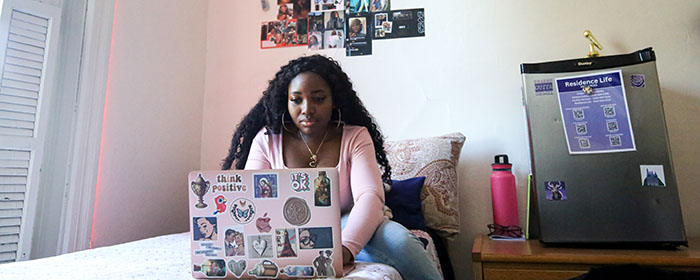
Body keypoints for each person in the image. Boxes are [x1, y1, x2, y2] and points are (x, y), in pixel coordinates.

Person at [221, 55, 442, 279]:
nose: (307, 109)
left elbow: (370, 196)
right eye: (296, 100)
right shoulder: (267, 140)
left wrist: (346, 248)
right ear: (285, 102)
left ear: (334, 100)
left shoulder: (355, 137)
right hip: (281, 229)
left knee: (401, 241)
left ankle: (364, 251)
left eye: (318, 99)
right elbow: (250, 197)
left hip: (345, 220)